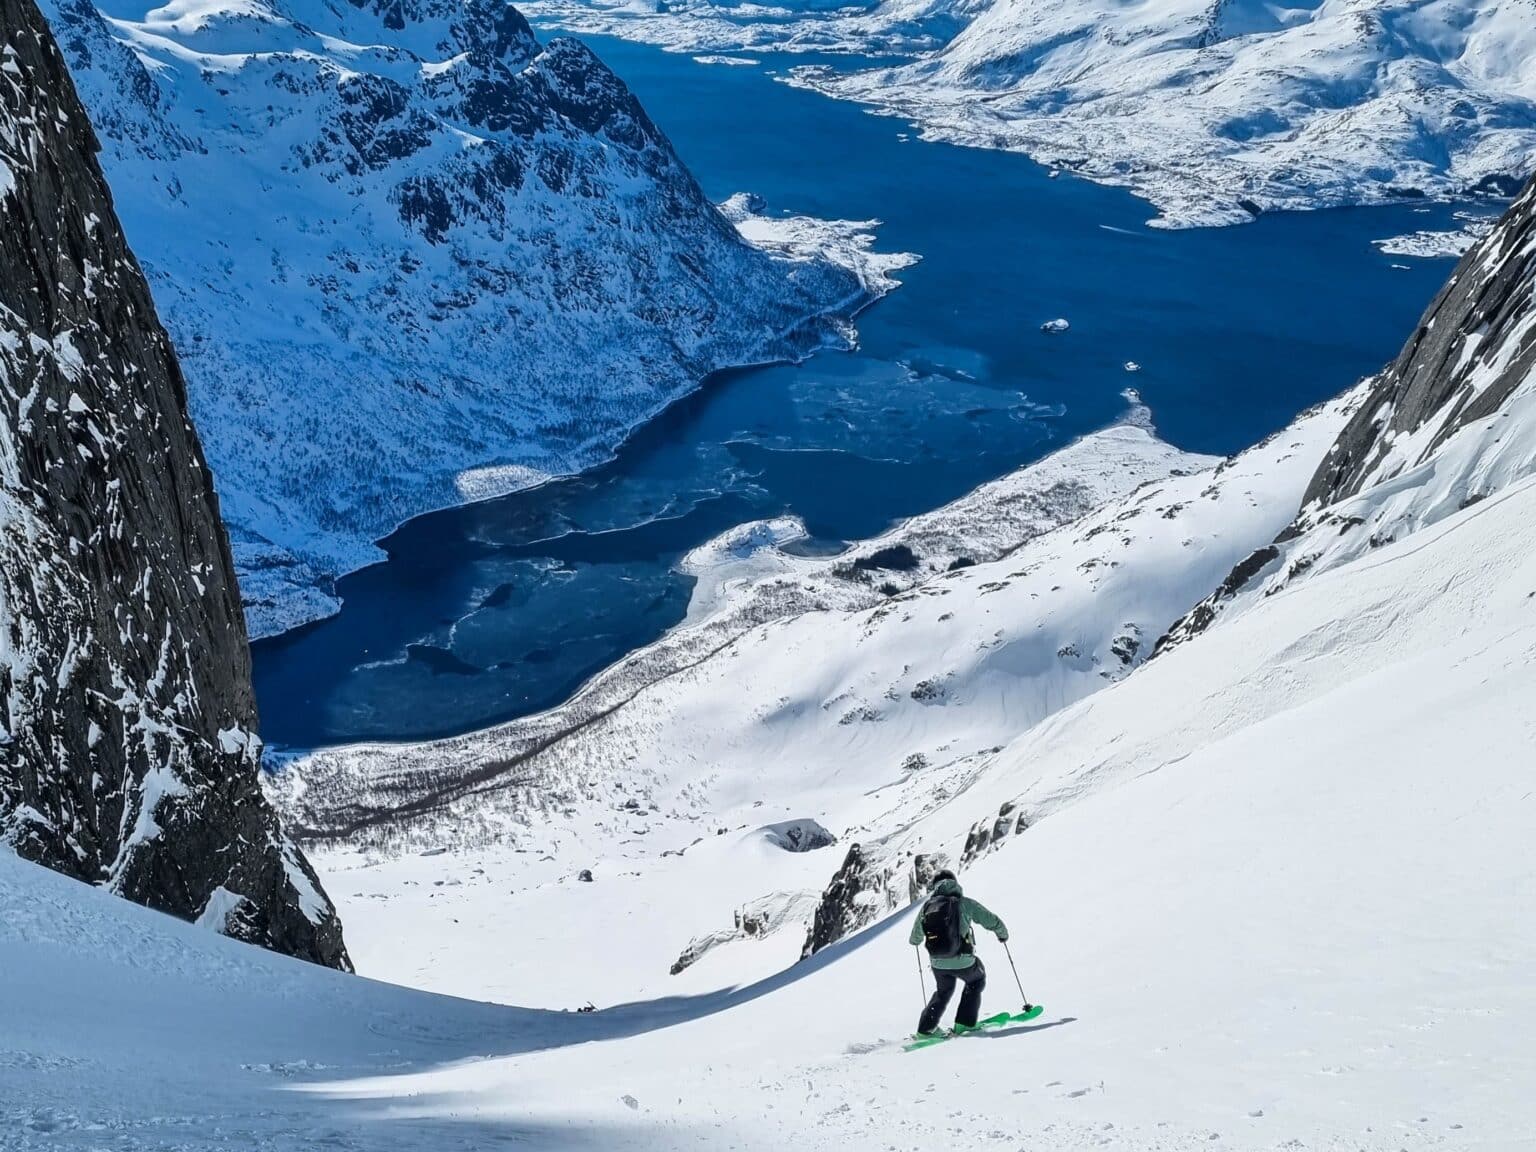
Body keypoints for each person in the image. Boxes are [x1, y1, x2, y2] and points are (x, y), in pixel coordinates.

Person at [909, 869, 1008, 1036]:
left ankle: (925, 1029)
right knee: (976, 980)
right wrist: (1002, 935)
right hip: (963, 960)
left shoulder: (927, 907)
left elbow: (914, 938)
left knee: (943, 992)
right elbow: (991, 920)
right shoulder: (965, 903)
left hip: (937, 963)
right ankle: (965, 1023)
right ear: (954, 884)